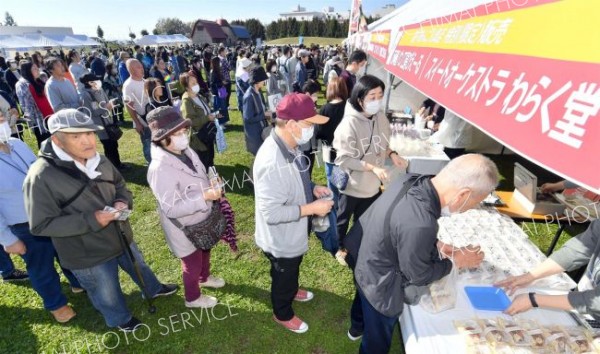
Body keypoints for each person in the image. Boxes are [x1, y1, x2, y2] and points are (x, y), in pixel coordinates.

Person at [23, 109, 178, 331]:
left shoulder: (100, 159)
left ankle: (153, 288)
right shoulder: (40, 176)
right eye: (76, 136)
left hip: (121, 234)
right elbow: (40, 225)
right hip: (86, 253)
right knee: (105, 289)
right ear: (57, 139)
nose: (87, 141)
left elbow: (119, 185)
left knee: (139, 265)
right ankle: (120, 318)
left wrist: (122, 201)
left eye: (89, 133)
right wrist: (92, 219)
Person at [347, 154, 495, 352]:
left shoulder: (412, 178)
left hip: (365, 254)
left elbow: (398, 224)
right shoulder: (421, 224)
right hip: (380, 279)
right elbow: (418, 274)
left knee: (362, 297)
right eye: (474, 203)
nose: (470, 209)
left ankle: (356, 328)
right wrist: (456, 262)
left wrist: (436, 244)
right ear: (462, 194)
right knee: (377, 335)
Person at [253, 93, 333, 333]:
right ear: (291, 124)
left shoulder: (290, 144)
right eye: (310, 125)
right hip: (281, 237)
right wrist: (312, 209)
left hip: (292, 231)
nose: (312, 131)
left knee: (291, 268)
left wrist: (312, 187)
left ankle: (291, 288)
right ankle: (282, 312)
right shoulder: (270, 161)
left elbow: (295, 179)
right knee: (284, 271)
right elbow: (272, 213)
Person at [0, 113, 81, 322]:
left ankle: (77, 282)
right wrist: (8, 239)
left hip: (50, 212)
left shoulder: (17, 143)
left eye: (2, 118)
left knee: (65, 252)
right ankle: (57, 304)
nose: (4, 124)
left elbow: (40, 169)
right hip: (24, 225)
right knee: (41, 266)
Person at [146, 106, 225, 309]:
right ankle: (192, 298)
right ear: (161, 138)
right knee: (191, 263)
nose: (183, 137)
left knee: (205, 248)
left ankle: (204, 277)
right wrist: (204, 197)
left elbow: (199, 173)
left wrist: (211, 180)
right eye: (177, 134)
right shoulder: (159, 168)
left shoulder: (186, 150)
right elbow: (171, 208)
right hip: (184, 226)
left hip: (202, 219)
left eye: (184, 131)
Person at [333, 75, 408, 265]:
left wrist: (392, 155)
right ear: (360, 99)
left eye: (380, 95)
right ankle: (339, 246)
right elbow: (344, 158)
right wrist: (373, 167)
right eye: (371, 96)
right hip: (351, 185)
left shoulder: (381, 118)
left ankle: (355, 248)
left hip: (373, 186)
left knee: (365, 221)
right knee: (342, 220)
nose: (377, 101)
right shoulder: (349, 124)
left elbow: (381, 145)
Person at [498, 220, 600, 318]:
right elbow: (577, 251)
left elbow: (596, 301)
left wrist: (534, 300)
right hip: (582, 301)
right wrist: (530, 276)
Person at [79, 73, 124, 169]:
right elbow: (92, 112)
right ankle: (113, 166)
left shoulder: (100, 89)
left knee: (114, 144)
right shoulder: (86, 95)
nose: (98, 81)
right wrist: (106, 108)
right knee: (108, 146)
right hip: (100, 125)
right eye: (95, 80)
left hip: (109, 121)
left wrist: (110, 105)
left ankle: (118, 163)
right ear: (89, 82)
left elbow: (107, 102)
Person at [316, 77, 348, 207]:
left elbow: (318, 133)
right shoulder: (349, 107)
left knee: (332, 183)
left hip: (329, 153)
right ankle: (343, 205)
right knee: (345, 182)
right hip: (346, 151)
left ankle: (334, 206)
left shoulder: (324, 109)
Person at [180, 73, 217, 170]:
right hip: (199, 138)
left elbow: (205, 111)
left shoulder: (198, 96)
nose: (196, 85)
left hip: (207, 133)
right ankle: (207, 179)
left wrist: (213, 115)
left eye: (196, 82)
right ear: (186, 87)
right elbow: (189, 122)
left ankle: (212, 174)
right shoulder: (187, 102)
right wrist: (207, 118)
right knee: (204, 161)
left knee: (210, 157)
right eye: (193, 83)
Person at [123, 59, 152, 163]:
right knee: (148, 147)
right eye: (138, 67)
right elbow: (129, 106)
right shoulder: (128, 85)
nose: (142, 68)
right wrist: (137, 123)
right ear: (131, 70)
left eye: (141, 66)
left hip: (152, 119)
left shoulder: (144, 81)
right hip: (143, 122)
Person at [242, 66, 271, 157]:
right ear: (257, 81)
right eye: (263, 80)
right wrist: (264, 115)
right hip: (255, 134)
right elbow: (248, 118)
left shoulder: (258, 91)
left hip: (261, 130)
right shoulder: (249, 96)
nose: (264, 82)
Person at [210, 57, 229, 126]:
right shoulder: (213, 72)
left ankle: (225, 121)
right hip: (217, 92)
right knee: (219, 107)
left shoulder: (218, 70)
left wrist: (222, 82)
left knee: (224, 106)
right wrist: (221, 83)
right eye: (219, 62)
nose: (221, 63)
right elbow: (212, 83)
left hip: (221, 90)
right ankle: (221, 123)